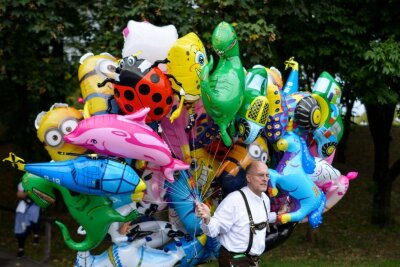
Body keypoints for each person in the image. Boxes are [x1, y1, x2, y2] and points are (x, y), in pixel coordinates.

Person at [196, 160, 284, 267]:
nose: (265, 179)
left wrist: (278, 214)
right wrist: (207, 219)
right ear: (248, 178)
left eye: (267, 175)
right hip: (234, 260)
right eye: (260, 175)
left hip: (252, 260)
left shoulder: (265, 199)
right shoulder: (234, 200)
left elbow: (260, 218)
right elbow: (216, 228)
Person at [14, 181, 41, 258]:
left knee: (33, 220)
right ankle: (21, 250)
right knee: (20, 231)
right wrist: (28, 195)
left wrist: (30, 195)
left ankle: (36, 236)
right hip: (22, 208)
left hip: (34, 207)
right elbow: (19, 194)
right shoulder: (23, 183)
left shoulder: (39, 181)